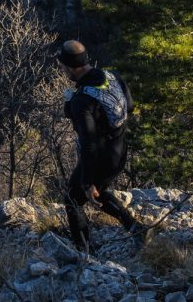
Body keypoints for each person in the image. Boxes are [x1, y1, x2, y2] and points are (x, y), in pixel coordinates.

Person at [58, 40, 145, 250]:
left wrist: (87, 181)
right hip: (119, 150)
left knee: (73, 199)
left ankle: (84, 252)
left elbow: (88, 143)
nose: (62, 71)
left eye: (62, 67)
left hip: (100, 157)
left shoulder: (82, 100)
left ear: (71, 67)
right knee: (99, 192)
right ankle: (137, 229)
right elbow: (129, 106)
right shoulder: (112, 76)